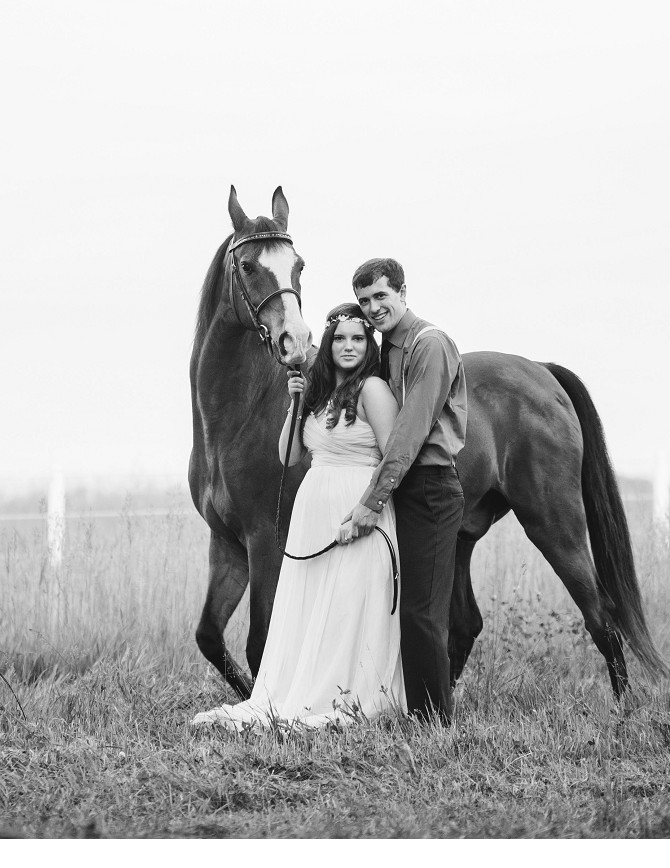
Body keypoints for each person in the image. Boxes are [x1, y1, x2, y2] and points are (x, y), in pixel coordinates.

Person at [193, 303, 404, 729]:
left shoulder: (374, 390)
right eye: (340, 338)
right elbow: (288, 456)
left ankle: (351, 693)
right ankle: (300, 689)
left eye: (358, 339)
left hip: (355, 506)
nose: (348, 346)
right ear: (327, 344)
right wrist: (296, 399)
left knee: (349, 606)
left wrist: (367, 508)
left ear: (369, 346)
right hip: (313, 510)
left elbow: (393, 456)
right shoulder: (318, 393)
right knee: (315, 607)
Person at [342, 257, 467, 725]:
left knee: (422, 612)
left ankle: (435, 724)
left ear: (402, 292)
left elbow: (409, 433)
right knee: (401, 608)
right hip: (403, 488)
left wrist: (371, 501)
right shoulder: (387, 349)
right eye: (364, 300)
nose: (373, 308)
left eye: (381, 296)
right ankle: (415, 711)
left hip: (431, 488)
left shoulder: (428, 345)